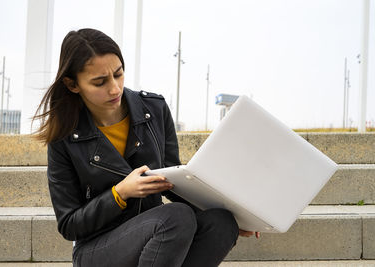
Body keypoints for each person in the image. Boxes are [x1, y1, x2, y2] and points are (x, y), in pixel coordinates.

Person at [32, 28, 259, 267]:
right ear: (72, 84)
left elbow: (174, 182)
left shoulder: (154, 109)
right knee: (176, 217)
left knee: (222, 223)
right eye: (100, 82)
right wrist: (119, 194)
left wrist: (238, 215)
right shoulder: (64, 137)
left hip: (157, 233)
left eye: (118, 74)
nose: (114, 88)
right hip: (97, 249)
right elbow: (69, 224)